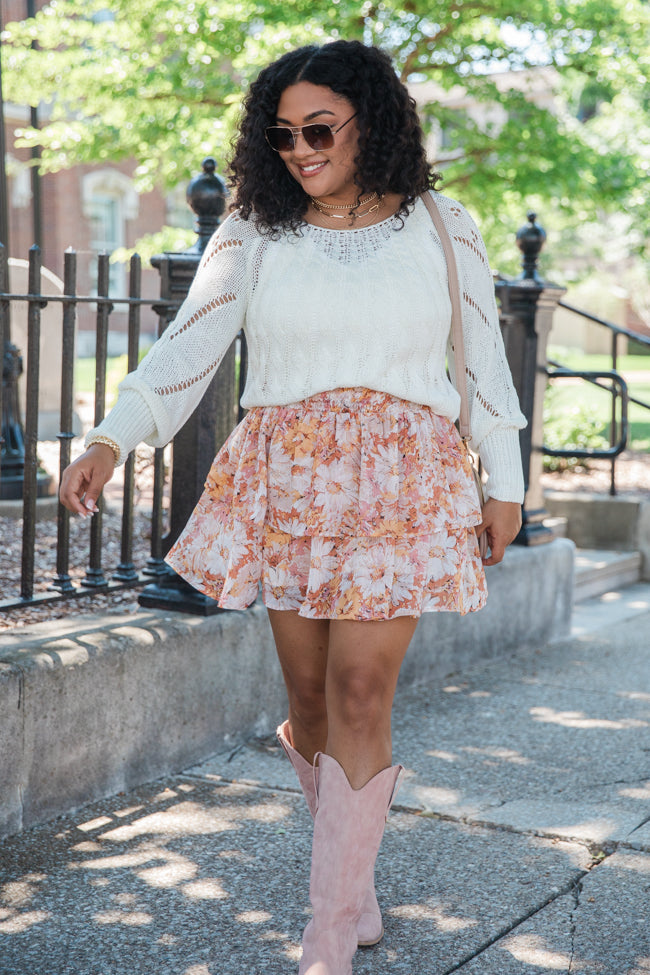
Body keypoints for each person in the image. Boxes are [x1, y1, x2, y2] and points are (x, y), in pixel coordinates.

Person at [60, 39, 526, 975]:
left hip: (404, 478)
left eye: (320, 129)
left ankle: (325, 933)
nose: (300, 150)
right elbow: (188, 347)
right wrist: (111, 435)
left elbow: (483, 356)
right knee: (310, 699)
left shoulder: (444, 225)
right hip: (289, 476)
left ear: (373, 121)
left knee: (361, 688)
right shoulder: (253, 229)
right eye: (282, 135)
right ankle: (350, 885)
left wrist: (505, 481)